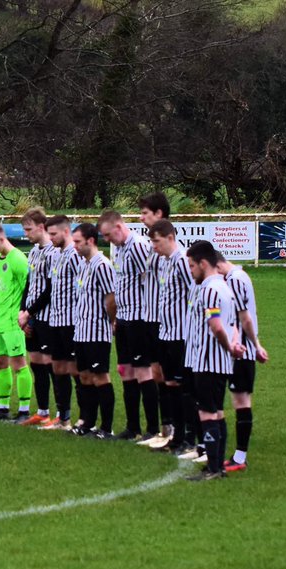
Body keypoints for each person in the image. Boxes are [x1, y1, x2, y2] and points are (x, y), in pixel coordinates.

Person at [183, 241, 246, 481]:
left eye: (191, 266)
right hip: (219, 362)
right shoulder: (225, 287)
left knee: (208, 413)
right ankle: (217, 465)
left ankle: (213, 468)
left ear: (203, 263)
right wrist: (235, 344)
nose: (190, 271)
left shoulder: (210, 289)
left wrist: (230, 345)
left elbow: (217, 325)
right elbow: (232, 324)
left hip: (208, 361)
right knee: (217, 412)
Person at [98, 210, 158, 442]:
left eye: (107, 234)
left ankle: (153, 428)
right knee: (125, 371)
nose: (106, 239)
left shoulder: (139, 246)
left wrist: (149, 316)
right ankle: (133, 426)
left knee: (143, 371)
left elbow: (151, 281)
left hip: (139, 319)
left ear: (119, 227)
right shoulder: (119, 248)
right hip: (122, 318)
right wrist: (115, 318)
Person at [148, 219, 197, 456]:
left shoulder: (182, 262)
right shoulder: (165, 262)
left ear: (170, 238)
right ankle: (178, 437)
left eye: (157, 241)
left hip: (181, 336)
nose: (154, 247)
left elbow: (194, 293)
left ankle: (189, 438)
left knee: (183, 388)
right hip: (165, 333)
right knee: (170, 385)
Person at [219, 255, 270, 471]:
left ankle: (240, 457)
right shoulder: (239, 276)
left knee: (241, 401)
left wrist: (255, 345)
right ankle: (237, 456)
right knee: (238, 400)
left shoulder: (235, 280)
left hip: (241, 351)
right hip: (241, 349)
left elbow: (245, 318)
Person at [69, 224, 117, 439]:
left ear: (90, 240)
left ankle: (107, 427)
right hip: (81, 332)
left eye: (78, 241)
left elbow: (111, 298)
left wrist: (112, 321)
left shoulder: (102, 265)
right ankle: (87, 422)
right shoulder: (83, 264)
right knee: (85, 377)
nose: (75, 246)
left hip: (97, 331)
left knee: (101, 378)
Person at [0, 223, 33, 421]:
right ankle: (3, 407)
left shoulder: (18, 259)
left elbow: (30, 287)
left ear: (2, 239)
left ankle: (24, 409)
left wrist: (25, 313)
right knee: (0, 363)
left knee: (19, 364)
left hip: (13, 321)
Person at [16, 208, 62, 426]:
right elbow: (30, 283)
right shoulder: (34, 251)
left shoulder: (55, 252)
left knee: (53, 365)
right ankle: (42, 411)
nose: (26, 234)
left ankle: (63, 413)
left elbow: (51, 289)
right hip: (32, 316)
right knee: (36, 363)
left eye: (28, 229)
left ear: (41, 227)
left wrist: (30, 312)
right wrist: (23, 311)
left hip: (48, 317)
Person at [36, 215, 79, 430]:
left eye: (53, 234)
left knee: (77, 371)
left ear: (65, 231)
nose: (50, 238)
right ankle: (64, 418)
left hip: (73, 322)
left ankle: (85, 420)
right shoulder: (54, 255)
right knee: (59, 368)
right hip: (55, 320)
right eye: (49, 234)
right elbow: (51, 288)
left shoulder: (75, 255)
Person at [136, 193, 172, 445]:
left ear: (159, 214)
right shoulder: (149, 247)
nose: (141, 218)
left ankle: (176, 428)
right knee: (157, 373)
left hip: (167, 323)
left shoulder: (172, 249)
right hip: (149, 320)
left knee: (171, 377)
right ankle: (164, 426)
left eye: (145, 213)